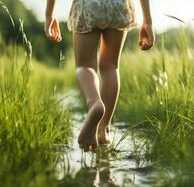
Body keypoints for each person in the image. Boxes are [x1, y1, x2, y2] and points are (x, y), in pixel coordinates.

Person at [44, 0, 155, 152]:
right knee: (111, 67)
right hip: (118, 5)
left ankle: (95, 103)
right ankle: (103, 129)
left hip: (87, 4)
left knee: (84, 66)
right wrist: (147, 21)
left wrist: (49, 15)